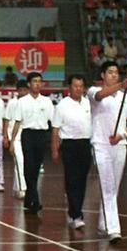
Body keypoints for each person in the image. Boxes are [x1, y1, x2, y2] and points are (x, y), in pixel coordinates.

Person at [87, 61, 127, 243]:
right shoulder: (93, 91)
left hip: (119, 145)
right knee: (107, 185)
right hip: (100, 145)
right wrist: (121, 86)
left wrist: (122, 134)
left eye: (116, 73)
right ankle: (114, 229)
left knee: (113, 188)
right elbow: (101, 95)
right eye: (110, 72)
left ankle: (104, 224)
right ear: (103, 75)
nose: (113, 75)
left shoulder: (123, 97)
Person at [51, 74, 92, 230]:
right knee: (72, 179)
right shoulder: (62, 105)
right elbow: (55, 129)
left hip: (85, 144)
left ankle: (74, 210)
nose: (78, 89)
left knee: (81, 180)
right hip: (69, 145)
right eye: (75, 86)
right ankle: (76, 215)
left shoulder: (88, 104)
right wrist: (55, 149)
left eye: (81, 86)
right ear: (69, 88)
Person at [10, 72, 54, 215]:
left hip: (42, 135)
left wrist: (56, 139)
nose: (37, 84)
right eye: (34, 81)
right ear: (29, 84)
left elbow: (53, 122)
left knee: (35, 168)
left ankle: (29, 200)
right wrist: (12, 141)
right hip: (28, 135)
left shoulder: (47, 101)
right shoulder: (22, 102)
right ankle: (35, 200)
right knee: (28, 166)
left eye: (39, 81)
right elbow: (17, 122)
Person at [4, 80, 28, 199]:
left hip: (26, 136)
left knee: (22, 162)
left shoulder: (29, 102)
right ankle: (22, 188)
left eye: (25, 89)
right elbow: (7, 119)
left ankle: (15, 187)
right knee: (19, 161)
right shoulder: (12, 103)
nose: (23, 92)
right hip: (14, 136)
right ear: (17, 91)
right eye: (21, 90)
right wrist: (6, 137)